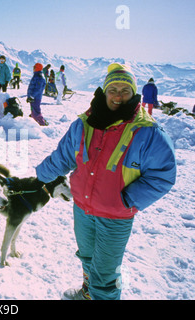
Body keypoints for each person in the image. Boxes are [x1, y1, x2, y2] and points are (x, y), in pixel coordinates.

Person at [36, 63, 176, 300]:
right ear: (104, 92)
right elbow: (63, 157)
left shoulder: (148, 131)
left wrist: (125, 201)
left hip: (115, 217)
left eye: (125, 90)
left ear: (134, 94)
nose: (118, 96)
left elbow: (163, 175)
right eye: (113, 89)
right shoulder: (83, 124)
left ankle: (99, 295)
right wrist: (39, 177)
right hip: (82, 208)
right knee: (87, 258)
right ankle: (88, 294)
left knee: (106, 278)